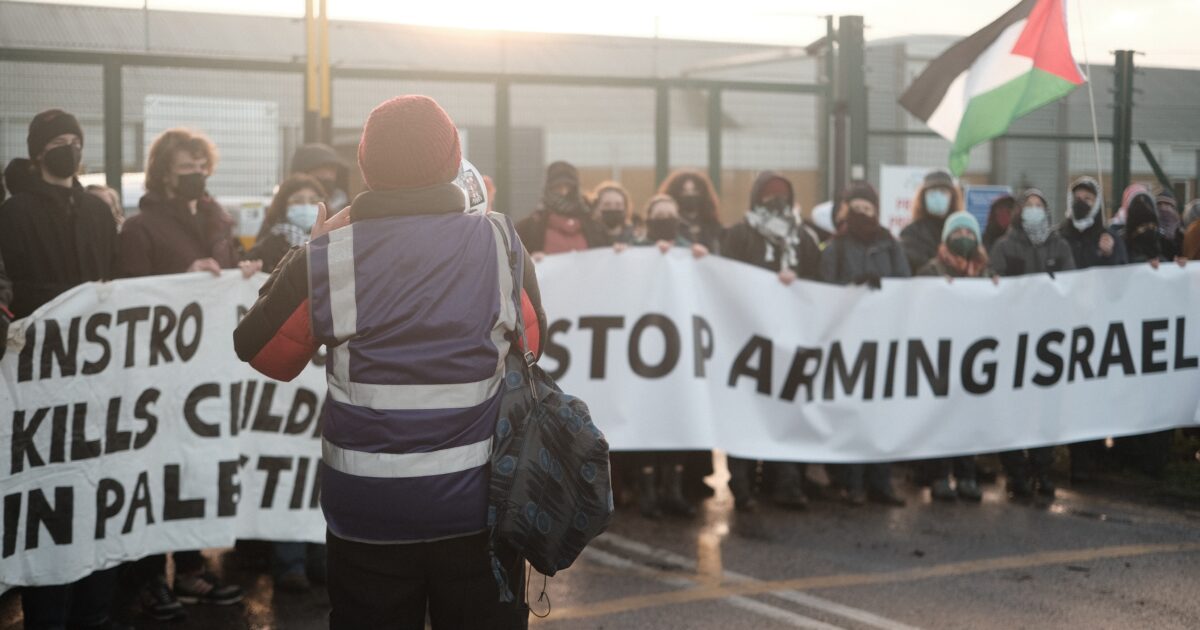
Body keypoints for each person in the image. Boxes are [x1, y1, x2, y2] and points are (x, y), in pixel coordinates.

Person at [234, 95, 543, 629]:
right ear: (454, 160)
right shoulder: (501, 242)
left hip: (367, 512)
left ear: (365, 167)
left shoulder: (330, 255)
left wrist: (307, 254)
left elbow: (264, 354)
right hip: (479, 505)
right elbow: (533, 346)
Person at [118, 127, 251, 619]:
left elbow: (228, 273)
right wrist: (180, 282)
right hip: (160, 376)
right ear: (162, 174)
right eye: (185, 168)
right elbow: (132, 297)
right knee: (158, 470)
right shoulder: (140, 230)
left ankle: (191, 567)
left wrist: (243, 273)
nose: (197, 175)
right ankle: (150, 576)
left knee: (194, 466)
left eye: (201, 166)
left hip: (207, 372)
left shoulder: (218, 219)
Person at [0, 109, 125, 630]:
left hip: (95, 375)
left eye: (76, 140)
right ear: (38, 153)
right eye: (58, 141)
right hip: (40, 378)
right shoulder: (14, 213)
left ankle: (96, 611)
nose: (69, 148)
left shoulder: (96, 210)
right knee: (49, 494)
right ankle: (47, 615)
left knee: (96, 491)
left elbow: (120, 279)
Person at [721, 171, 822, 512]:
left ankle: (787, 483)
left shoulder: (804, 238)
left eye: (782, 195)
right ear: (756, 199)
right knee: (746, 411)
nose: (776, 201)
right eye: (769, 195)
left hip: (792, 339)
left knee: (788, 409)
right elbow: (723, 278)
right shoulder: (740, 234)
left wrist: (799, 284)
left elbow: (817, 282)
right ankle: (743, 484)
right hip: (747, 338)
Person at [611, 194, 708, 518]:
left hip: (679, 351)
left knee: (676, 418)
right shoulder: (634, 248)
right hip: (643, 350)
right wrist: (622, 257)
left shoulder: (689, 250)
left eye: (670, 214)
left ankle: (673, 489)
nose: (665, 219)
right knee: (647, 418)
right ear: (648, 218)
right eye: (659, 214)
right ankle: (648, 491)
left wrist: (702, 259)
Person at [818, 181, 909, 507]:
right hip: (849, 342)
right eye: (856, 208)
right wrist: (851, 287)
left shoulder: (890, 245)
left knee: (880, 413)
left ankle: (881, 483)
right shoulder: (836, 247)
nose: (862, 214)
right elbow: (824, 289)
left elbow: (905, 284)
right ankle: (851, 482)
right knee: (852, 413)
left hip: (883, 340)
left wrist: (885, 290)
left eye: (867, 209)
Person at [988, 188, 1076, 501]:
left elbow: (1070, 285)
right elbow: (993, 281)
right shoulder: (1004, 246)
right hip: (1013, 340)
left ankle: (1042, 469)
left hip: (1049, 342)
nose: (1034, 209)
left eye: (1040, 205)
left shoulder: (1059, 246)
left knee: (1046, 408)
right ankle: (1016, 472)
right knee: (1013, 408)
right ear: (1019, 211)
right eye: (1029, 205)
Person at [916, 211, 992, 503]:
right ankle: (939, 475)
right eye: (957, 233)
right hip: (941, 355)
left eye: (969, 233)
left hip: (973, 355)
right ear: (946, 238)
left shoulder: (984, 272)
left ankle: (966, 475)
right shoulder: (931, 271)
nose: (964, 238)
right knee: (941, 417)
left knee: (967, 417)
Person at [1055, 177, 1127, 481]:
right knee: (1073, 396)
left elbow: (1121, 286)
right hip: (1067, 328)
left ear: (1097, 204)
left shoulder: (1109, 238)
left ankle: (1095, 457)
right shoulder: (1059, 236)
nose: (1082, 202)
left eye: (1088, 197)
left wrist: (1110, 257)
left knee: (1096, 394)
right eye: (1078, 197)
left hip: (1099, 330)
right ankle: (1077, 462)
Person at [517, 160, 608, 256]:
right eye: (558, 187)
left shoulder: (593, 224)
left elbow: (606, 253)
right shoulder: (529, 227)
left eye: (568, 187)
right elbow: (514, 257)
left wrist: (617, 251)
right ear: (548, 189)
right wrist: (529, 259)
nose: (564, 192)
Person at [246, 174, 325, 274]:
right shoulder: (269, 244)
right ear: (283, 206)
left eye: (314, 201)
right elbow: (246, 265)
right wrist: (250, 268)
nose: (306, 206)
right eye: (297, 201)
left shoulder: (330, 240)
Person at [900, 169, 962, 273]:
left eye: (943, 191)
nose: (938, 196)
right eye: (932, 192)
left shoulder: (962, 231)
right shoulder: (911, 233)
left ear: (953, 197)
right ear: (922, 197)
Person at [659, 169, 724, 253]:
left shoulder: (712, 226)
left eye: (695, 191)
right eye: (685, 191)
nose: (690, 195)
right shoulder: (669, 226)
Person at [289, 142, 351, 212]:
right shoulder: (289, 211)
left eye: (332, 169)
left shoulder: (347, 211)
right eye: (321, 169)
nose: (327, 175)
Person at [590, 180, 637, 245]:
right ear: (596, 209)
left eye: (618, 205)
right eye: (607, 205)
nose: (612, 208)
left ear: (625, 209)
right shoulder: (587, 239)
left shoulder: (636, 240)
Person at [1155, 189, 1184, 259]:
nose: (1163, 207)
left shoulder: (1180, 230)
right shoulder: (1152, 228)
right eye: (1159, 204)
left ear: (1173, 207)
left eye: (1167, 204)